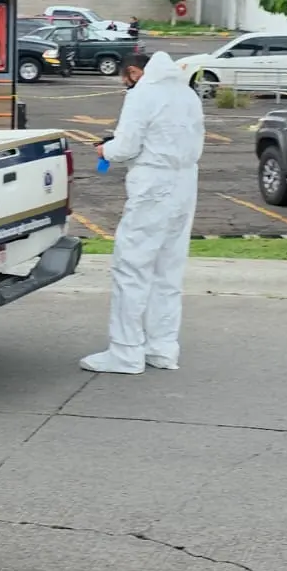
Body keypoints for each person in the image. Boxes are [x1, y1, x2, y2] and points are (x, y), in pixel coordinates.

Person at [82, 52, 205, 374]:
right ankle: (162, 348)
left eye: (125, 78)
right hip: (185, 181)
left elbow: (125, 148)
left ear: (135, 72)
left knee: (132, 266)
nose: (124, 84)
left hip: (153, 182)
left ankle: (125, 352)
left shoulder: (143, 94)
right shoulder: (187, 93)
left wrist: (105, 149)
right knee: (169, 268)